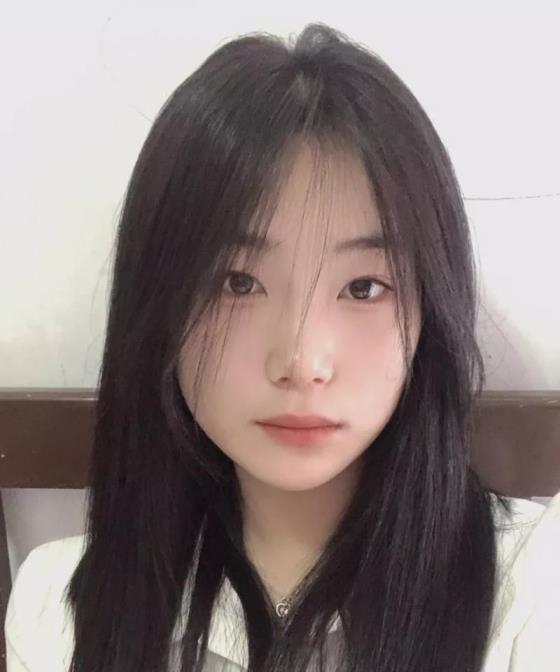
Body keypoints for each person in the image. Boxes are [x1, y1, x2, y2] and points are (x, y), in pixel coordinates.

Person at [5, 22, 560, 672]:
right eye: (237, 283)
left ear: (427, 312)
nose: (302, 363)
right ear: (159, 303)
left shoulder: (533, 588)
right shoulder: (59, 611)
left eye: (364, 287)